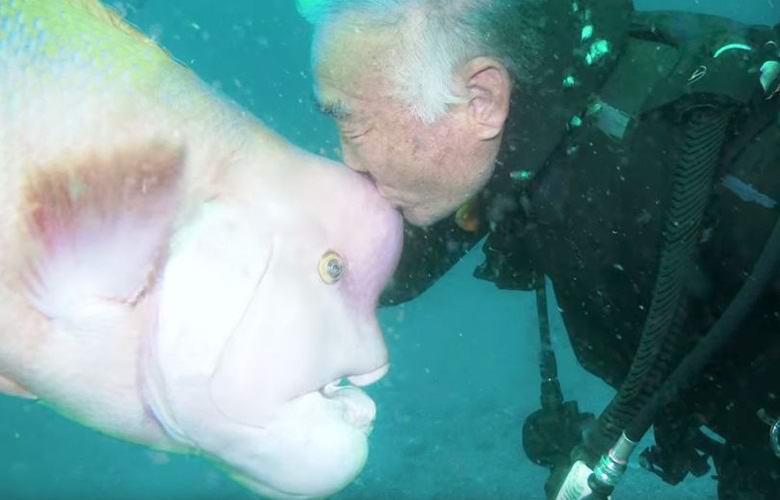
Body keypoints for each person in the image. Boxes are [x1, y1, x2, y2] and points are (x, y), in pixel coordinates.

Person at [299, 0, 780, 498]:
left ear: (481, 100)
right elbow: (383, 266)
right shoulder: (523, 136)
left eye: (350, 123)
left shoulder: (723, 162)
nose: (346, 159)